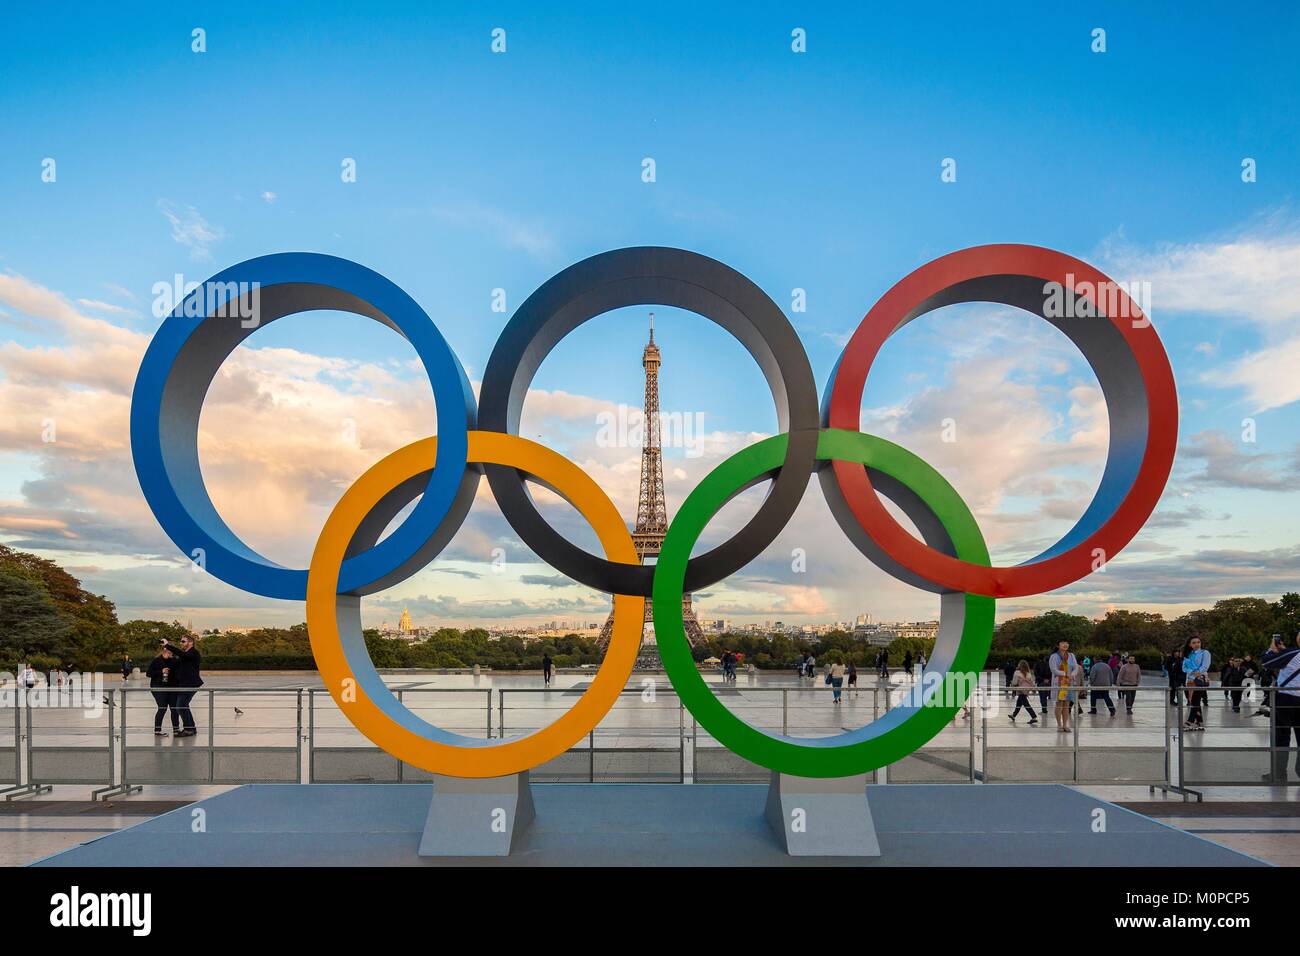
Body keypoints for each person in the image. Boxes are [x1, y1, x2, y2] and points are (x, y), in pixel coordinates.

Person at [1261, 632, 1300, 781]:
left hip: (1286, 700)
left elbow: (1266, 662)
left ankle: (1279, 775)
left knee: (1281, 737)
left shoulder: (1293, 653)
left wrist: (1272, 649)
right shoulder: (1289, 653)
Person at [163, 635, 203, 737]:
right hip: (184, 684)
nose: (181, 643)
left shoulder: (193, 653)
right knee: (183, 706)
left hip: (190, 684)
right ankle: (191, 728)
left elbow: (183, 656)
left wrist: (168, 645)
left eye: (183, 641)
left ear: (190, 643)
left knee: (180, 706)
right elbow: (177, 662)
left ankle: (189, 729)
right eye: (181, 641)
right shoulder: (185, 654)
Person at [146, 645, 180, 736]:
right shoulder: (156, 661)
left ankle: (176, 730)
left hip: (172, 687)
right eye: (165, 650)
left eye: (169, 651)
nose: (167, 652)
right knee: (162, 707)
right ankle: (157, 730)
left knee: (174, 708)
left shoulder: (174, 661)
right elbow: (148, 673)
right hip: (158, 687)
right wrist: (161, 671)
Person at [1182, 637, 1211, 731]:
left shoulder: (1205, 653)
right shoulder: (1188, 654)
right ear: (1190, 644)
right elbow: (1184, 667)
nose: (1196, 644)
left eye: (1198, 642)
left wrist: (1196, 673)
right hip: (1190, 681)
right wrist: (1192, 672)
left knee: (1195, 700)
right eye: (1194, 642)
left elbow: (1205, 666)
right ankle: (1200, 722)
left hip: (1200, 680)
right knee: (1193, 700)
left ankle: (1190, 721)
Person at [1049, 640, 1078, 734]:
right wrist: (1065, 674)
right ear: (1058, 645)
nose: (1065, 645)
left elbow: (1076, 668)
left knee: (1066, 705)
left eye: (1067, 643)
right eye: (1062, 643)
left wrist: (1072, 675)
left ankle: (1065, 724)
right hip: (1059, 683)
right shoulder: (1054, 656)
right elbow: (1053, 669)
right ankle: (1059, 725)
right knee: (1059, 704)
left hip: (1069, 683)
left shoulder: (1072, 655)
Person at [1007, 660, 1038, 724]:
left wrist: (1012, 683)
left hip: (1020, 690)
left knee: (1026, 705)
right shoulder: (1028, 674)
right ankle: (1013, 715)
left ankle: (1034, 717)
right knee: (1018, 704)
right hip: (1025, 691)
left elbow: (1015, 682)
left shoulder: (1017, 672)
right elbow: (1031, 682)